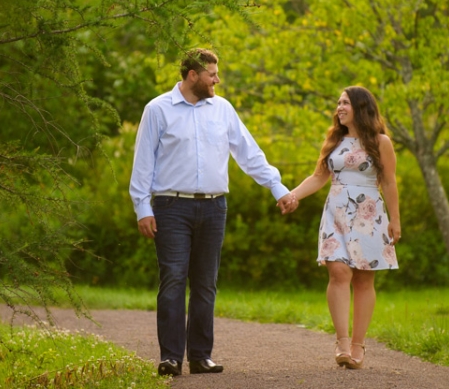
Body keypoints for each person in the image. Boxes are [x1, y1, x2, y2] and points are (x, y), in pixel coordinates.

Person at [129, 48, 297, 377]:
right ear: (193, 75)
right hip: (170, 206)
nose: (217, 79)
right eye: (212, 74)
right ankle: (171, 357)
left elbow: (249, 153)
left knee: (206, 284)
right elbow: (143, 162)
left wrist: (278, 188)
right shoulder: (158, 109)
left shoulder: (222, 109)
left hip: (214, 206)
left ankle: (200, 357)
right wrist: (142, 207)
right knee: (174, 279)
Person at [289, 86, 400, 370]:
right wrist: (292, 195)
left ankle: (358, 345)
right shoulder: (334, 141)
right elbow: (317, 177)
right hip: (336, 212)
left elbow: (389, 182)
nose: (339, 107)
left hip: (369, 213)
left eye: (345, 103)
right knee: (338, 271)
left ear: (361, 108)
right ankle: (341, 341)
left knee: (363, 280)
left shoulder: (380, 142)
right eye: (338, 102)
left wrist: (395, 219)